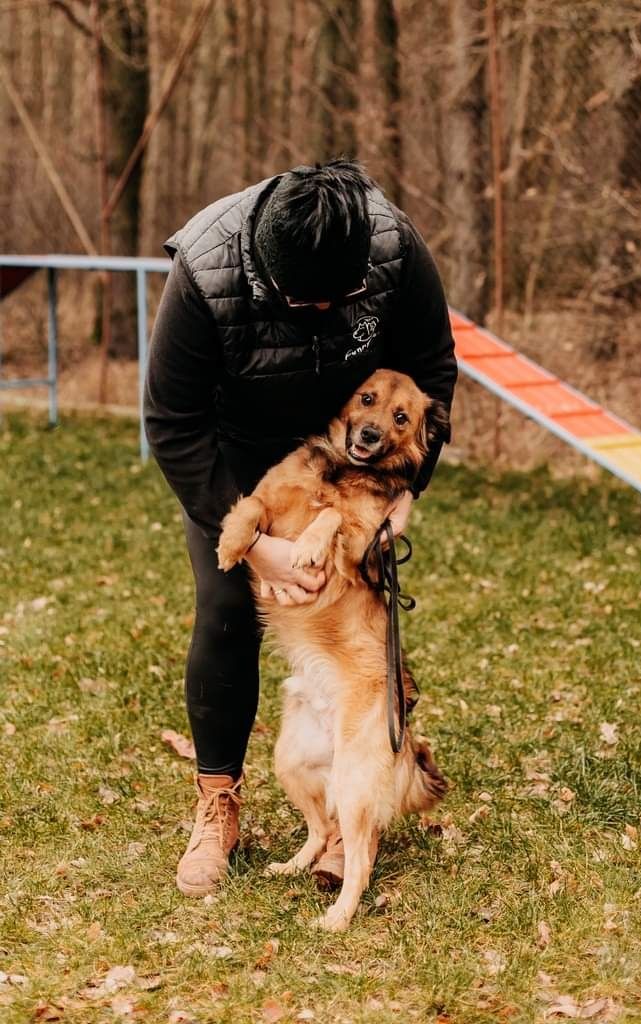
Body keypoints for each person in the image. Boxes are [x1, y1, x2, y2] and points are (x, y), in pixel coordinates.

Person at [144, 159, 457, 897]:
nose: (322, 312)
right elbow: (172, 424)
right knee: (224, 612)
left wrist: (406, 489)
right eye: (301, 300)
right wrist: (258, 545)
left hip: (355, 458)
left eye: (339, 299)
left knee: (361, 629)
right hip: (244, 465)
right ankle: (216, 804)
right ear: (266, 268)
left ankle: (360, 808)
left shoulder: (394, 248)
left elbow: (433, 370)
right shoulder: (205, 271)